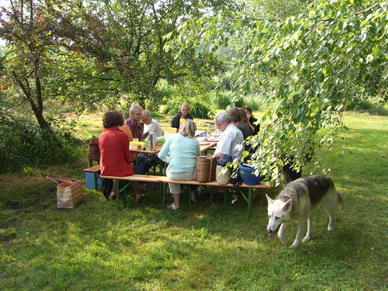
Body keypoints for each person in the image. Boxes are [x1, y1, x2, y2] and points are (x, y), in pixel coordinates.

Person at [158, 120, 200, 210]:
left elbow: (161, 155)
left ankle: (176, 204)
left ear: (182, 127)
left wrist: (170, 160)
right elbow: (198, 158)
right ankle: (194, 191)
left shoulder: (172, 137)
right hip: (190, 175)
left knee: (172, 176)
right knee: (193, 169)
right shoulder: (195, 142)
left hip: (174, 174)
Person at [99, 111, 134, 200]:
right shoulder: (122, 135)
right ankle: (137, 193)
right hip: (118, 170)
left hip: (104, 168)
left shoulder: (102, 135)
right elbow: (127, 156)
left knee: (118, 165)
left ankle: (114, 192)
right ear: (119, 120)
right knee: (133, 166)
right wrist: (130, 161)